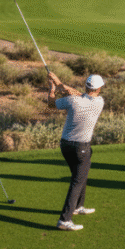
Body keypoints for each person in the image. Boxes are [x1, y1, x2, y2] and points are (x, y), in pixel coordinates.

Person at [49, 70, 106, 231]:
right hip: (82, 147)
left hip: (65, 146)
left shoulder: (72, 101)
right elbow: (78, 94)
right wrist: (59, 84)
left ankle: (79, 206)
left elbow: (51, 103)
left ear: (86, 86)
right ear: (99, 89)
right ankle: (65, 220)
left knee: (81, 175)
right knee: (77, 181)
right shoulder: (99, 102)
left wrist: (53, 87)